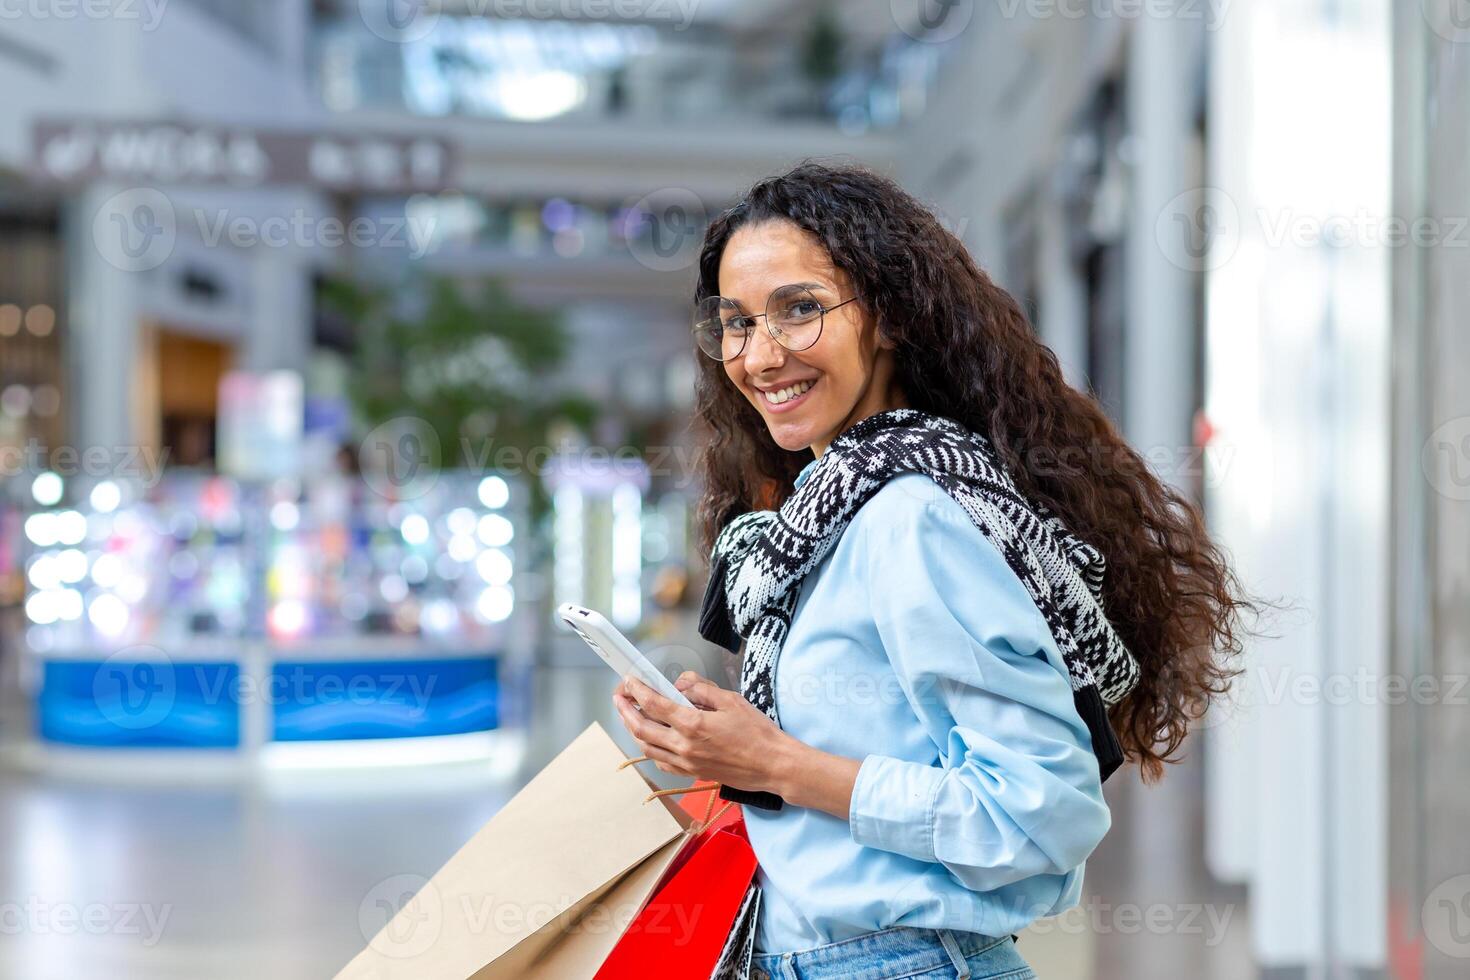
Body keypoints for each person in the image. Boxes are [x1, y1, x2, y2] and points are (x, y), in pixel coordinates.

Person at [613, 162, 1251, 979]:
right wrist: (727, 741)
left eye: (799, 310)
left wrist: (773, 765)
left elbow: (1038, 813)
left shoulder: (911, 516)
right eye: (736, 322)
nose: (759, 356)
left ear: (888, 318)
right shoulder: (826, 516)